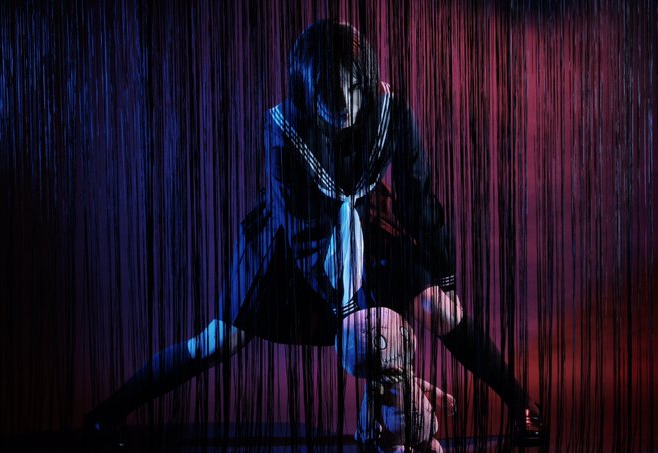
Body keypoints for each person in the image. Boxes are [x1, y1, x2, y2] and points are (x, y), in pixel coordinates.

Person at [84, 20, 546, 448]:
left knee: (438, 307)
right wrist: (349, 306)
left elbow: (419, 198)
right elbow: (305, 232)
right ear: (307, 87)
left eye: (352, 87)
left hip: (365, 226)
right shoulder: (283, 127)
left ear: (366, 80)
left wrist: (443, 274)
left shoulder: (391, 111)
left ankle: (522, 405)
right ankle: (106, 415)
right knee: (217, 342)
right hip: (291, 246)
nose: (342, 103)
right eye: (327, 90)